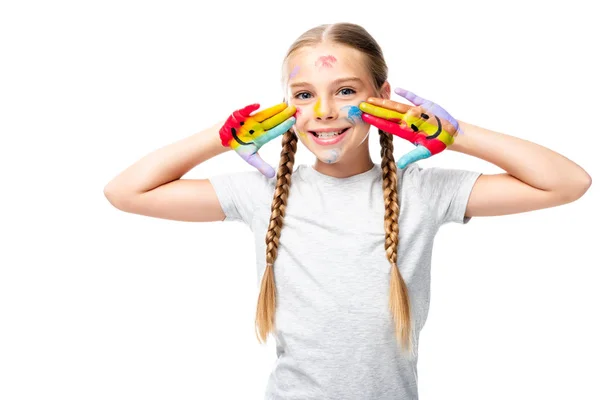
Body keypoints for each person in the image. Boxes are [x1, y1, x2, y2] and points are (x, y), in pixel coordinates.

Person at [104, 22, 592, 400]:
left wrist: (456, 134)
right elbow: (126, 192)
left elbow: (568, 182)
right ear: (285, 108)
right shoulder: (263, 191)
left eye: (345, 91)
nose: (323, 111)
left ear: (382, 98)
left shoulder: (422, 190)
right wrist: (221, 136)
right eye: (303, 96)